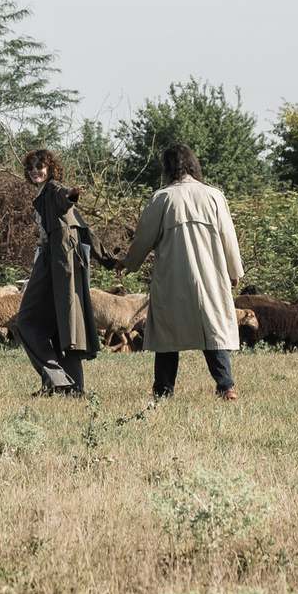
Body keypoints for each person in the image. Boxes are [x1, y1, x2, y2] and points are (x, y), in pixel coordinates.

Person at [96, 142, 246, 404]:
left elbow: (144, 238)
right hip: (210, 277)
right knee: (213, 330)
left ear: (167, 167)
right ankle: (226, 387)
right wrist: (234, 271)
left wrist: (128, 263)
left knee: (167, 333)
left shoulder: (162, 198)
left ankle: (163, 391)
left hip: (173, 277)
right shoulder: (214, 195)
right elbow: (228, 238)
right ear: (192, 164)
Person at [13, 148, 101, 396]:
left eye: (40, 165)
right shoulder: (43, 192)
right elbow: (83, 227)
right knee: (60, 325)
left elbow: (64, 196)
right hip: (55, 262)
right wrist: (107, 260)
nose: (34, 170)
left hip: (54, 263)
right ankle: (73, 388)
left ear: (50, 168)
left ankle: (57, 380)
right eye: (30, 166)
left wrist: (71, 194)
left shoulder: (53, 189)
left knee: (26, 321)